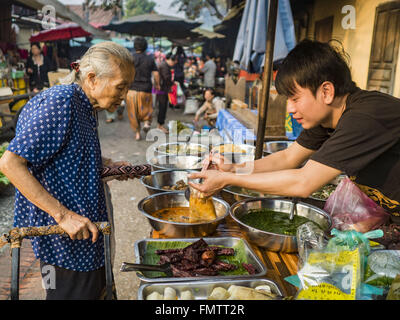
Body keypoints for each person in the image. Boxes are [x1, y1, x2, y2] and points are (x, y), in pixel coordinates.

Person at [189, 39, 400, 238]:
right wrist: (234, 169)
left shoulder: (363, 118)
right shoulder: (328, 118)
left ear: (326, 91)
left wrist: (228, 180)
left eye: (295, 98)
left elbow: (304, 182)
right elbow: (287, 158)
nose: (289, 108)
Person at [0, 41, 151, 300]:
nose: (125, 95)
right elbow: (10, 164)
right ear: (92, 78)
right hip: (64, 242)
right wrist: (63, 216)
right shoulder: (62, 102)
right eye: (121, 86)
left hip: (85, 235)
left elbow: (64, 156)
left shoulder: (85, 104)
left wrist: (106, 166)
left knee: (96, 291)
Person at [126, 36, 160, 140]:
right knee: (147, 109)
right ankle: (146, 123)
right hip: (146, 89)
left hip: (131, 90)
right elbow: (156, 74)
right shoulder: (150, 59)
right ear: (145, 47)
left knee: (133, 112)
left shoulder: (130, 59)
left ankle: (137, 133)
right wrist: (157, 85)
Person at [156, 53, 176, 134]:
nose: (173, 64)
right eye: (174, 62)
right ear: (170, 60)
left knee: (162, 107)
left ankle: (160, 125)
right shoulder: (164, 66)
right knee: (162, 107)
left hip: (162, 89)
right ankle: (160, 126)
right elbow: (167, 78)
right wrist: (172, 84)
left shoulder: (164, 65)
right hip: (162, 90)